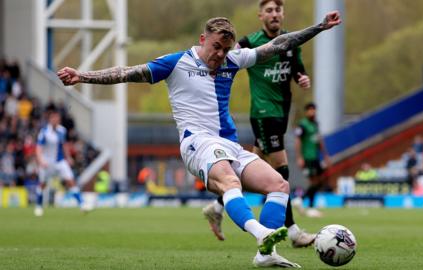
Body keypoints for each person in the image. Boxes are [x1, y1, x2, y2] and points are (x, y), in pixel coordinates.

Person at [57, 13, 341, 268]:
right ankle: (261, 232)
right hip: (196, 143)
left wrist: (319, 27)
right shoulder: (176, 62)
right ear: (203, 39)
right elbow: (125, 73)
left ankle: (266, 254)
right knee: (230, 182)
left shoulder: (233, 60)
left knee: (279, 185)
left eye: (226, 49)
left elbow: (278, 45)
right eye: (216, 47)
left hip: (227, 145)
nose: (220, 54)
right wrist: (82, 75)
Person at [202, 0, 316, 248]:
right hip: (264, 112)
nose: (274, 14)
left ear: (282, 14)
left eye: (278, 10)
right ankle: (293, 230)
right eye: (269, 11)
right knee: (281, 168)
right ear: (260, 16)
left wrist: (301, 76)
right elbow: (228, 55)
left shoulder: (288, 40)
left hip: (282, 110)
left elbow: (296, 64)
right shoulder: (250, 41)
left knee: (252, 167)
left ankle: (217, 207)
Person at [34, 107, 87, 217]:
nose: (56, 119)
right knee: (42, 184)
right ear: (50, 119)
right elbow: (38, 148)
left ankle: (82, 204)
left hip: (60, 161)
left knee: (70, 180)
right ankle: (38, 206)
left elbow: (64, 145)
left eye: (57, 118)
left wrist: (68, 157)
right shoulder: (44, 132)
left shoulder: (62, 130)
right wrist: (41, 161)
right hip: (47, 162)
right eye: (54, 117)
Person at [293, 102, 331, 217]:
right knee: (313, 181)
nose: (312, 112)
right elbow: (298, 141)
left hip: (315, 157)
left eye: (313, 109)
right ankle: (310, 207)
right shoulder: (302, 125)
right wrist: (299, 157)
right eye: (310, 109)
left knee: (319, 180)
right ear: (306, 112)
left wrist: (325, 156)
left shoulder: (315, 124)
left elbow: (319, 141)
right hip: (307, 157)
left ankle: (300, 200)